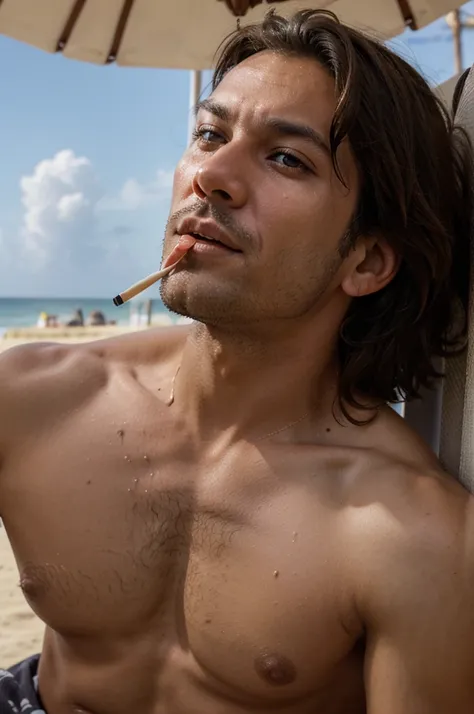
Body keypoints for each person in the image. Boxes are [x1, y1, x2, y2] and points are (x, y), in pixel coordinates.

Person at [1, 9, 474, 714]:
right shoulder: (32, 400)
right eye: (208, 134)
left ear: (367, 260)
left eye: (287, 158)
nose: (212, 177)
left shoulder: (415, 535)